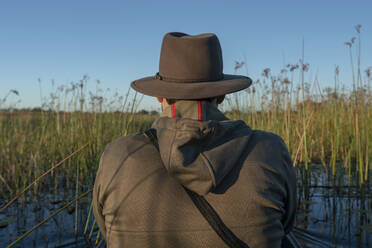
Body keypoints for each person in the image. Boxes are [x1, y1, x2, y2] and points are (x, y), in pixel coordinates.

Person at [92, 32, 297, 247]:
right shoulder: (270, 149)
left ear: (159, 96)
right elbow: (286, 224)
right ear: (221, 95)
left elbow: (107, 231)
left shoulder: (118, 154)